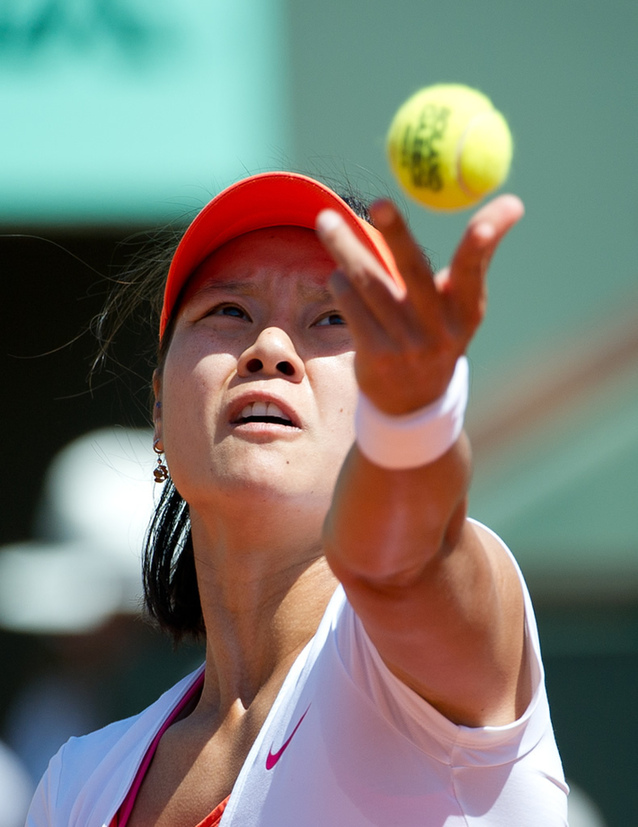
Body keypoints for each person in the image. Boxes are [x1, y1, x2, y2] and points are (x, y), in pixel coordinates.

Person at [26, 171, 568, 826]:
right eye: (229, 310)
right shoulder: (75, 784)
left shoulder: (442, 643)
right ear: (160, 410)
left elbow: (405, 561)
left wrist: (415, 424)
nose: (272, 349)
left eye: (335, 318)